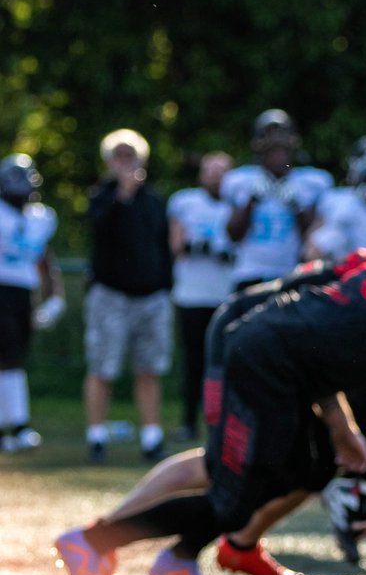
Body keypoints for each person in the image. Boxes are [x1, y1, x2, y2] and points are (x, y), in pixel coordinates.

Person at [53, 241, 366, 575]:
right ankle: (90, 541)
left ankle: (179, 559)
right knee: (233, 495)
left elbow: (322, 336)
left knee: (313, 466)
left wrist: (341, 428)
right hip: (264, 357)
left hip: (279, 352)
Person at [83, 129, 173, 463]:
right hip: (111, 296)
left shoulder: (154, 200)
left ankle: (152, 437)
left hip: (151, 297)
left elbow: (163, 246)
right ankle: (96, 437)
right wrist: (122, 195)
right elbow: (99, 229)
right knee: (102, 367)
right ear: (109, 161)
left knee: (149, 368)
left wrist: (164, 285)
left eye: (130, 155)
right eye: (118, 155)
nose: (125, 162)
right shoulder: (101, 196)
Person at [167, 151, 235, 442]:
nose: (216, 176)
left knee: (227, 361)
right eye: (211, 170)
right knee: (194, 361)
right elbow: (177, 245)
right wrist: (199, 247)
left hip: (227, 294)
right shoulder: (186, 202)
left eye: (222, 170)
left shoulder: (238, 205)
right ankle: (189, 421)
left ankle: (225, 420)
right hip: (192, 294)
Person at [223, 109, 331, 289]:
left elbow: (314, 238)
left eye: (281, 138)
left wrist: (297, 207)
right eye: (270, 139)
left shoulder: (312, 182)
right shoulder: (241, 180)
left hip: (291, 273)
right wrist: (251, 201)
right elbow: (233, 235)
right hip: (249, 272)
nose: (276, 141)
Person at [0, 154, 64, 452]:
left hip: (23, 293)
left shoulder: (42, 217)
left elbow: (44, 259)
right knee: (8, 355)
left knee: (15, 357)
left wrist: (55, 298)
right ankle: (17, 425)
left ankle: (15, 425)